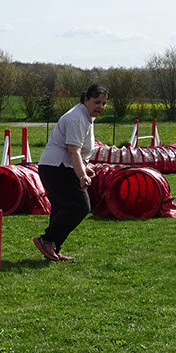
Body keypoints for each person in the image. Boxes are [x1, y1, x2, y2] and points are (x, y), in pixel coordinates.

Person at [33, 84, 108, 261]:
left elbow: (76, 151)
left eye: (104, 103)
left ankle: (52, 248)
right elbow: (73, 151)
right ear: (86, 99)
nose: (101, 107)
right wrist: (82, 175)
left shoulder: (86, 116)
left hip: (56, 167)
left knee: (61, 208)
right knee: (80, 206)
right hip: (57, 168)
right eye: (97, 102)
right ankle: (47, 240)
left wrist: (84, 167)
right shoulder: (77, 118)